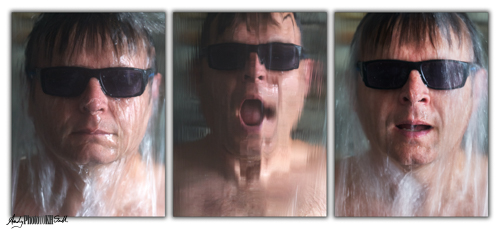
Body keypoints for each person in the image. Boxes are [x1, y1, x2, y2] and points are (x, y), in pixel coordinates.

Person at [335, 13, 488, 216]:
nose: (414, 94)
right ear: (352, 88)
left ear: (477, 90)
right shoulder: (320, 190)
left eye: (441, 72)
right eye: (386, 72)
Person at [12, 13, 165, 216]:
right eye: (65, 79)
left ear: (153, 93)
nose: (93, 103)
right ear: (29, 93)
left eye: (122, 80)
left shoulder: (176, 200)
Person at [173, 12, 326, 216]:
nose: (255, 71)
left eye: (279, 55)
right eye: (229, 55)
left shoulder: (331, 177)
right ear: (198, 77)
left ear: (306, 78)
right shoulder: (165, 179)